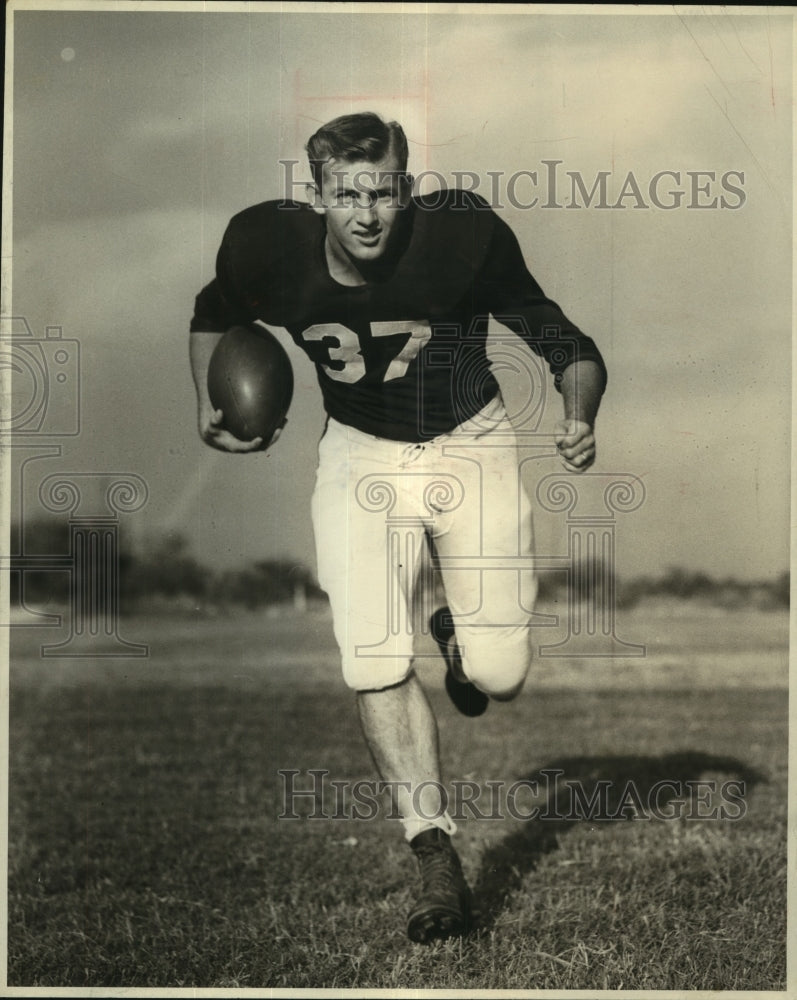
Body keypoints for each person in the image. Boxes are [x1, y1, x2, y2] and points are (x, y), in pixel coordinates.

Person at [190, 112, 606, 944]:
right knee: (371, 652)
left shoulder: (459, 238)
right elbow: (212, 313)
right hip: (360, 454)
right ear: (316, 197)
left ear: (405, 187)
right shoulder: (262, 247)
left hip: (470, 442)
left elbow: (565, 339)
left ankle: (457, 636)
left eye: (381, 191)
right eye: (347, 195)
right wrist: (209, 402)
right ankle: (433, 854)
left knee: (501, 674)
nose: (367, 214)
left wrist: (578, 412)